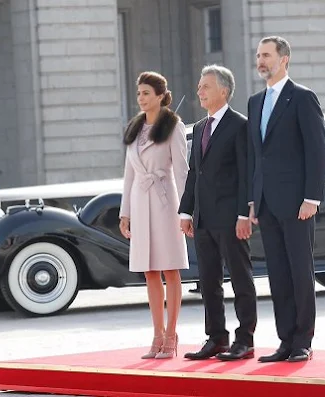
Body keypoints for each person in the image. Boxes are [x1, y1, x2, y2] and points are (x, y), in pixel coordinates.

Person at [247, 36, 325, 363]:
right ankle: (284, 341)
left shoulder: (302, 98)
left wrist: (312, 196)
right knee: (278, 274)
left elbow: (318, 149)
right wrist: (252, 200)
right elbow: (256, 157)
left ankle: (302, 341)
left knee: (300, 271)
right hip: (266, 203)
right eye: (258, 55)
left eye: (266, 55)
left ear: (284, 59)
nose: (260, 60)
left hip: (297, 203)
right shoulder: (255, 102)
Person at [179, 65, 257, 361]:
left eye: (206, 87)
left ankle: (245, 339)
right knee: (208, 282)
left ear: (223, 91)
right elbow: (194, 175)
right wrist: (186, 212)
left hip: (231, 218)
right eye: (199, 86)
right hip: (203, 219)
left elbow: (246, 174)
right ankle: (216, 337)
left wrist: (242, 214)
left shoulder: (239, 125)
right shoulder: (199, 127)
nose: (199, 91)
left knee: (240, 278)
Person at [119, 71, 189, 359]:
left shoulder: (173, 126)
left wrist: (187, 212)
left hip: (165, 202)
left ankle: (171, 335)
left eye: (146, 93)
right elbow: (128, 174)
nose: (141, 98)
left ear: (161, 95)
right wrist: (125, 214)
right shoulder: (135, 128)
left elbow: (183, 171)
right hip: (139, 201)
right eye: (139, 93)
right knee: (149, 271)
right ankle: (156, 335)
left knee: (170, 269)